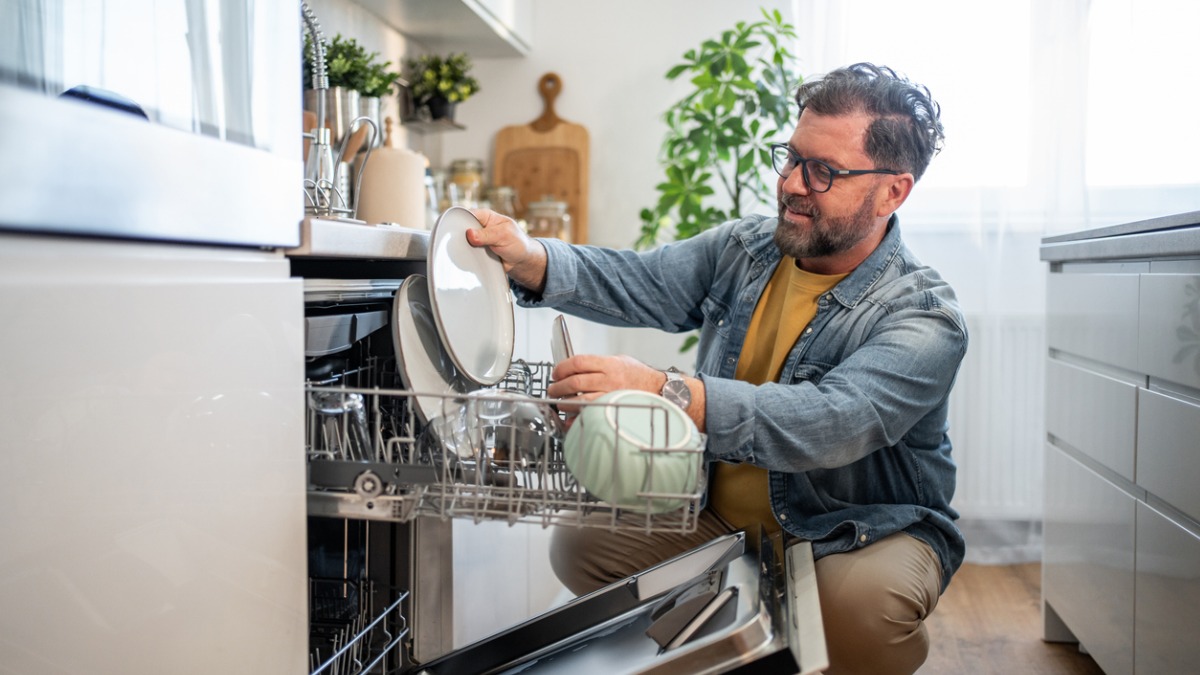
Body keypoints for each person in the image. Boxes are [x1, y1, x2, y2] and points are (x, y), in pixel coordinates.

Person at [466, 62, 967, 675]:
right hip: (723, 517)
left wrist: (663, 389)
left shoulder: (923, 317)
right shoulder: (746, 249)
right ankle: (742, 651)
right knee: (582, 547)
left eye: (824, 172)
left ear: (893, 191)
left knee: (855, 611)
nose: (792, 184)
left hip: (856, 531)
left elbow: (827, 422)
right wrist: (530, 257)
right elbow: (641, 281)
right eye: (792, 157)